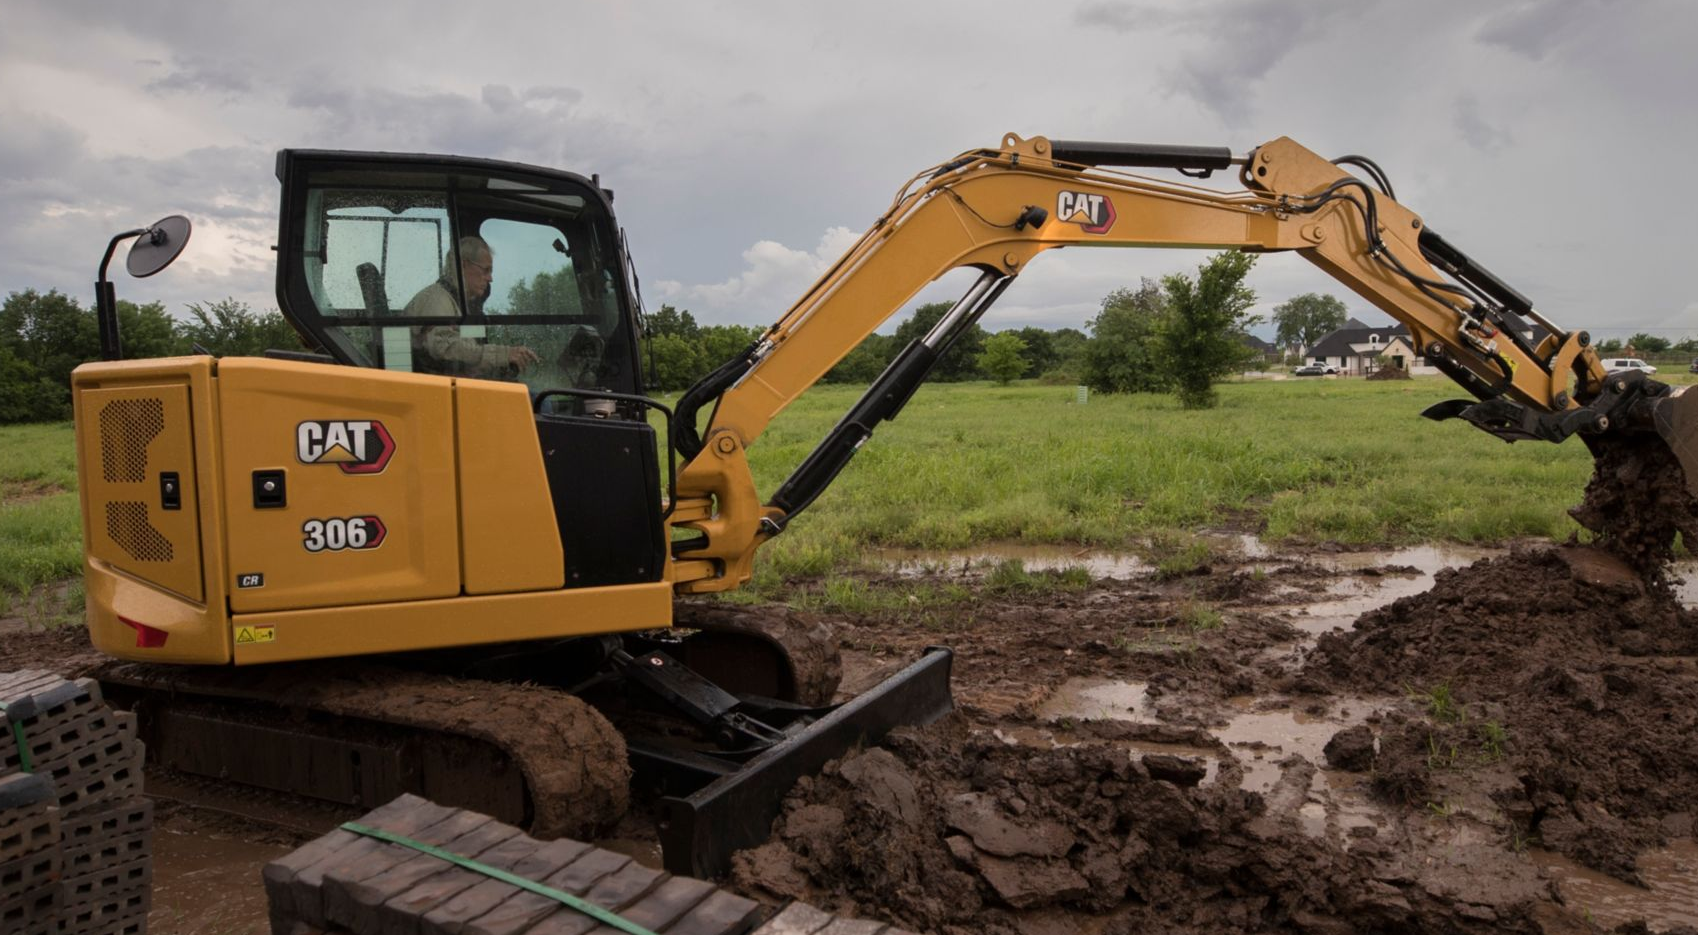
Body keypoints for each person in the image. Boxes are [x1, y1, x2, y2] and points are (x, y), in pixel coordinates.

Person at [405, 235, 540, 376]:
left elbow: (468, 357)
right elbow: (443, 348)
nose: (490, 278)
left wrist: (500, 365)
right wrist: (503, 354)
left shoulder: (460, 305)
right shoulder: (437, 300)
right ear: (463, 265)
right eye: (486, 270)